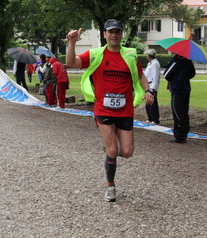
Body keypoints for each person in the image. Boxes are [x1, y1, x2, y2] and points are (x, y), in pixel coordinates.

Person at [66, 19, 154, 202]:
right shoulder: (95, 54)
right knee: (113, 149)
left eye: (118, 32)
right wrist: (72, 42)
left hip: (125, 110)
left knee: (127, 151)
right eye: (110, 31)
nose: (114, 35)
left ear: (121, 34)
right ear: (104, 34)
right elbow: (71, 62)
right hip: (103, 108)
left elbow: (140, 76)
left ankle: (108, 151)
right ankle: (110, 187)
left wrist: (148, 90)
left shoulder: (130, 56)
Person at [164, 54, 196, 143]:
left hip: (177, 90)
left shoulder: (176, 61)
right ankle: (184, 132)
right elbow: (192, 74)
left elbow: (166, 75)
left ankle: (179, 135)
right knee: (184, 112)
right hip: (186, 88)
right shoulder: (188, 61)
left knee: (177, 113)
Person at [144, 49, 161, 125]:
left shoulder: (155, 64)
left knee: (152, 103)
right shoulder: (150, 63)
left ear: (149, 55)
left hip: (151, 86)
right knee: (148, 102)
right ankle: (150, 118)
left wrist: (153, 88)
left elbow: (155, 76)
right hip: (148, 85)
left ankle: (155, 119)